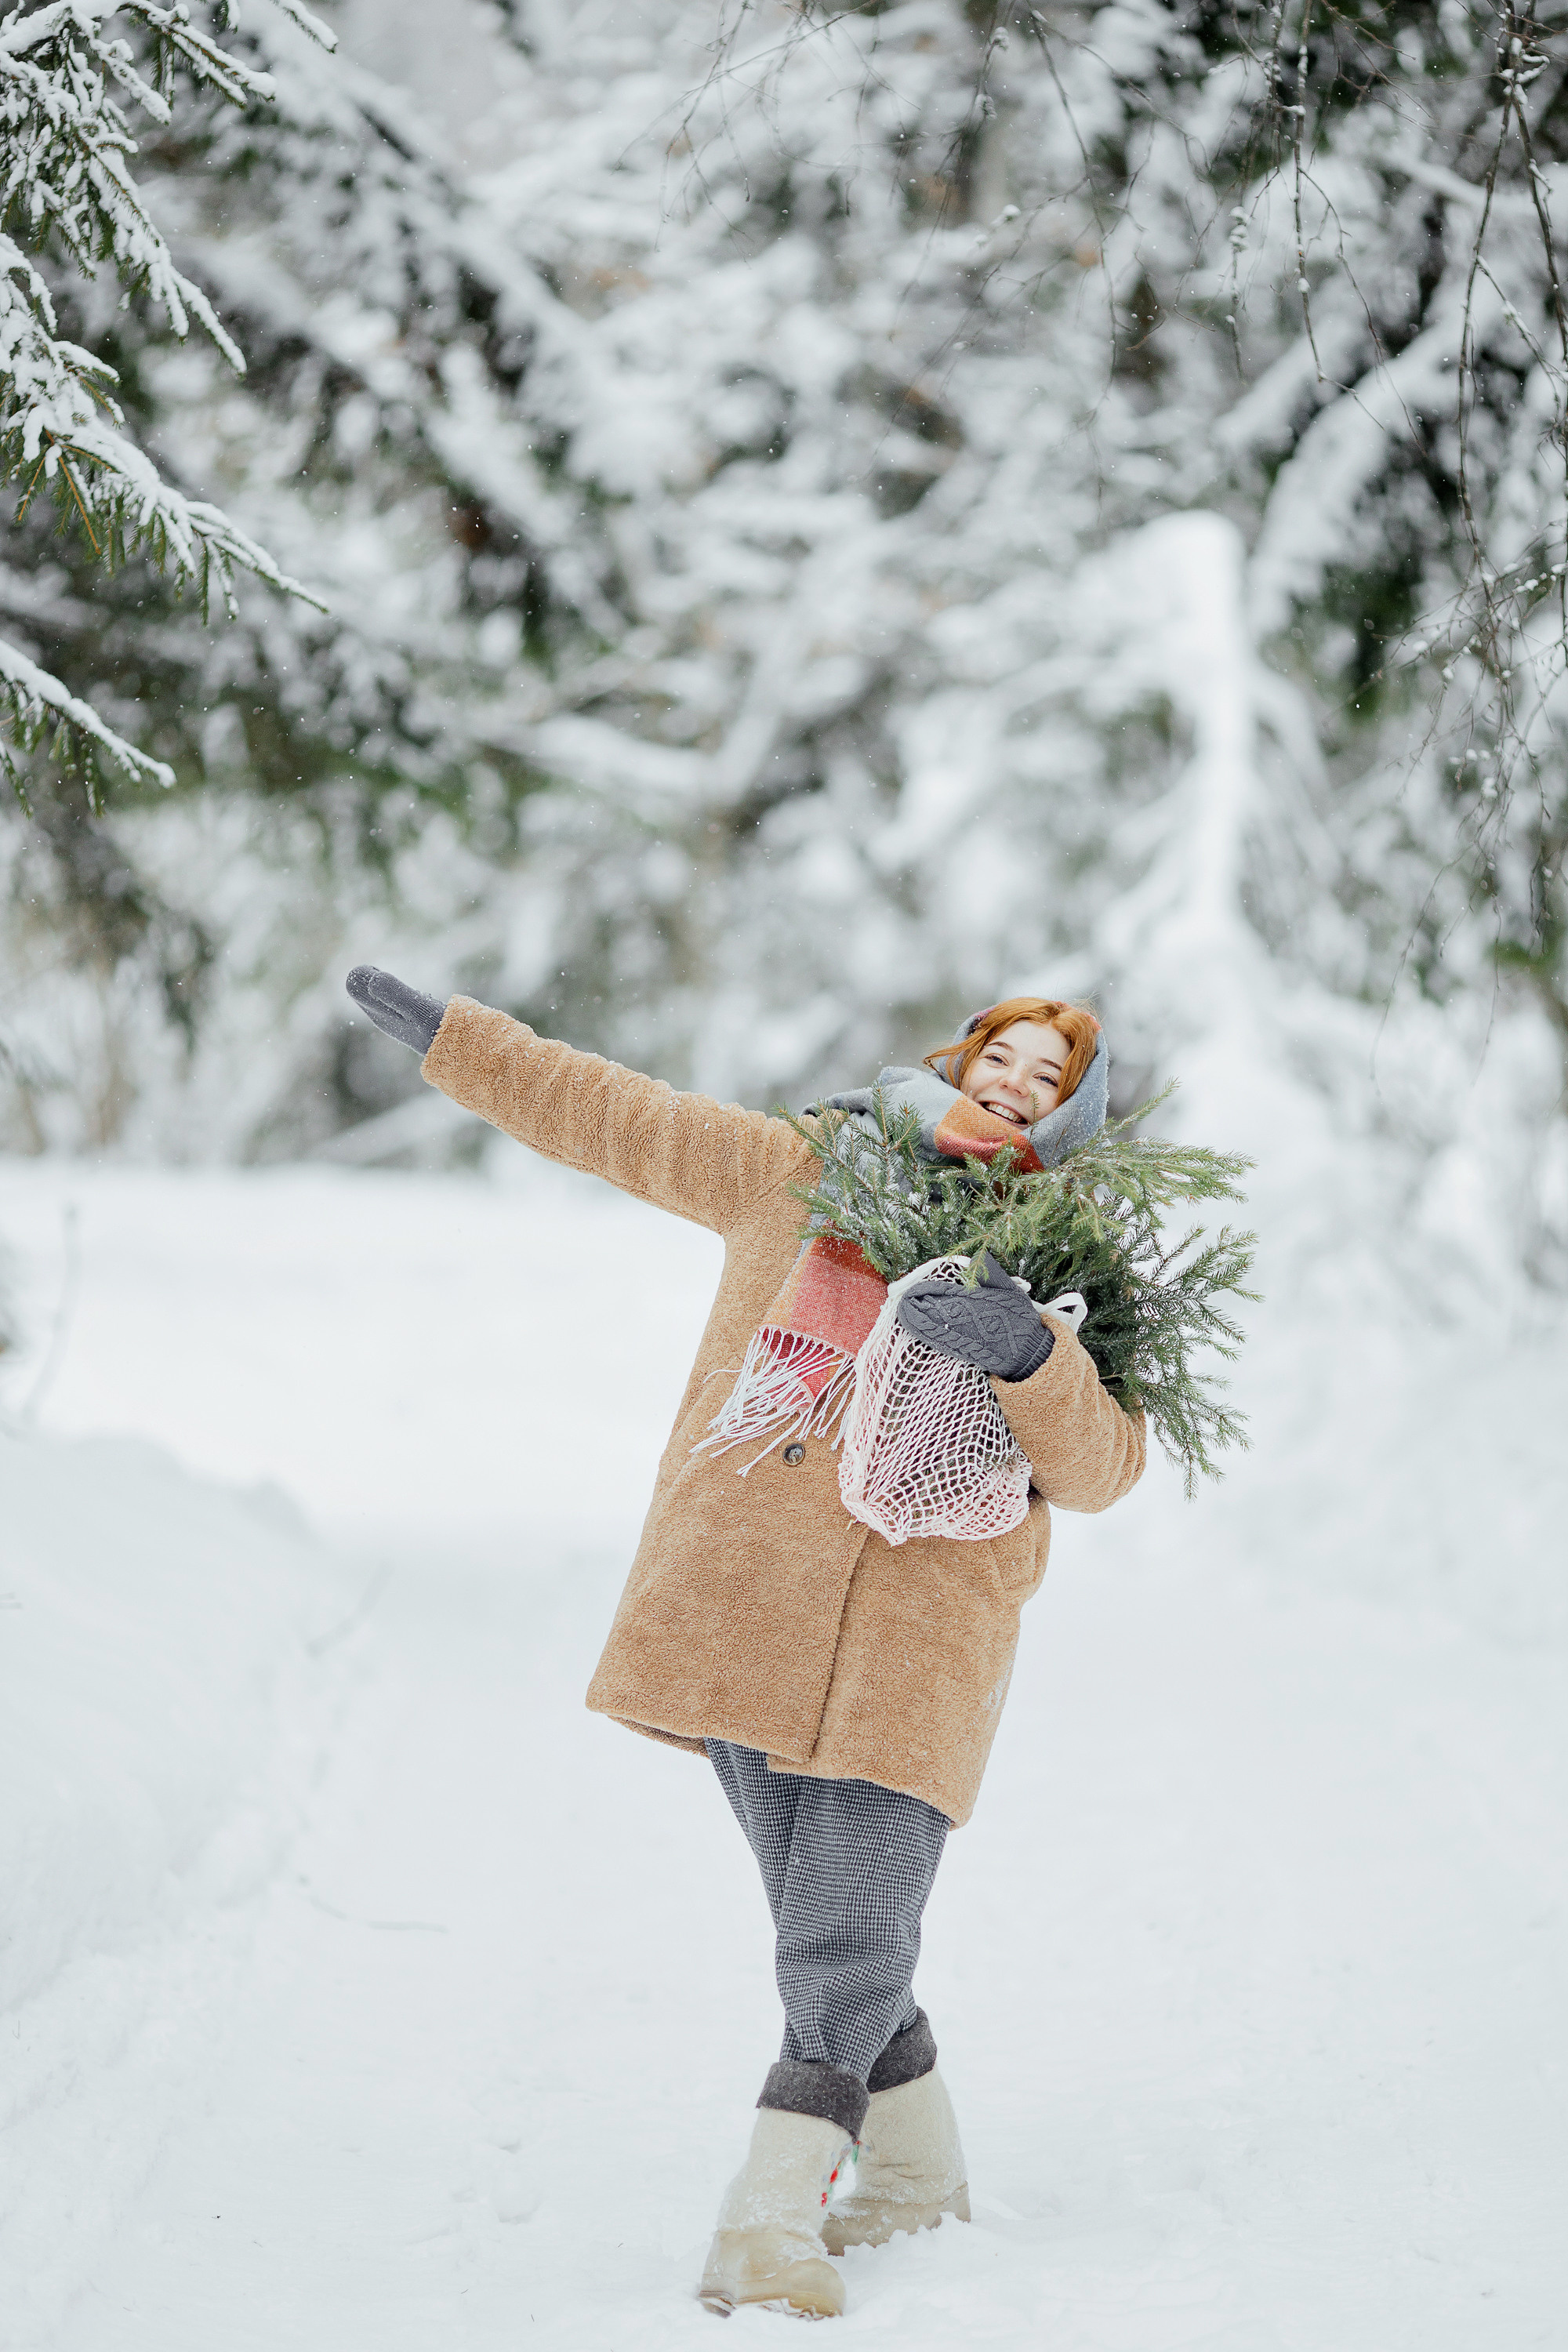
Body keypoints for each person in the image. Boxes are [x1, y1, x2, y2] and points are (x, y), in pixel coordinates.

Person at [345, 967, 1145, 2320]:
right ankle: (916, 2180)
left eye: (1047, 1078)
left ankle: (766, 2228)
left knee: (840, 1938)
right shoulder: (804, 1173)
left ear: (1070, 1114)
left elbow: (1110, 1465)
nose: (1014, 1082)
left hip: (922, 1642)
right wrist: (464, 1043)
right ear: (958, 1060)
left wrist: (1030, 1354)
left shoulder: (1070, 1258)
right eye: (1001, 1056)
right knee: (837, 1930)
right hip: (743, 1615)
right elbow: (617, 1115)